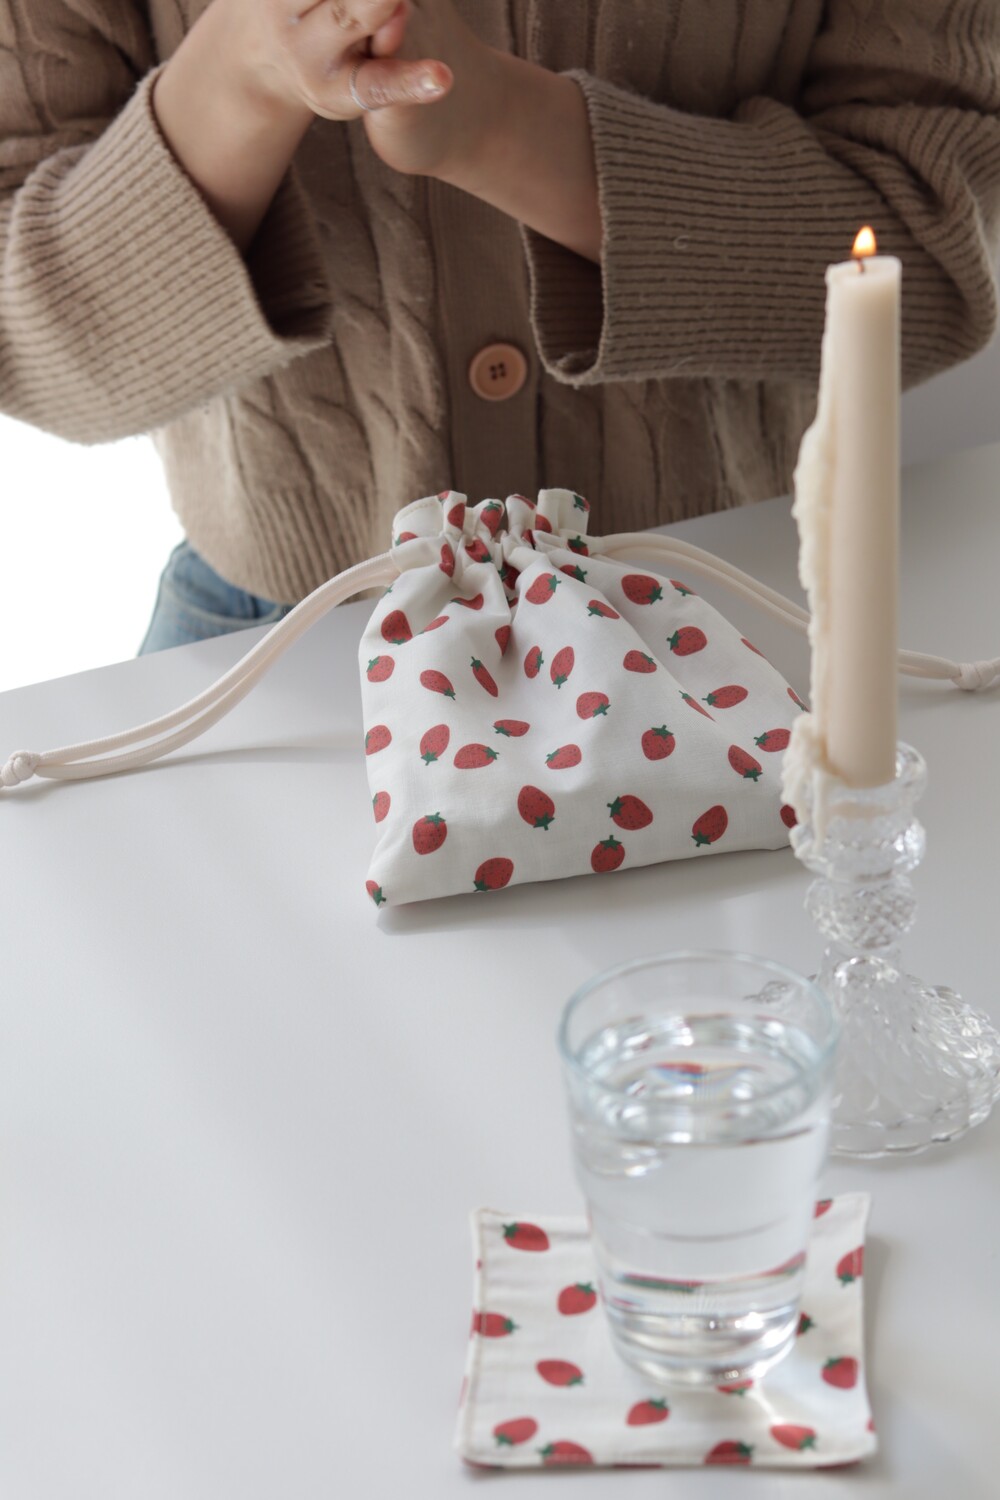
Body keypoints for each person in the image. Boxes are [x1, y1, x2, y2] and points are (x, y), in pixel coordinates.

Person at [1, 0, 998, 652]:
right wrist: (242, 74)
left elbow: (933, 271)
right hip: (266, 651)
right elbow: (34, 352)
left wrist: (503, 129)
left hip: (744, 613)